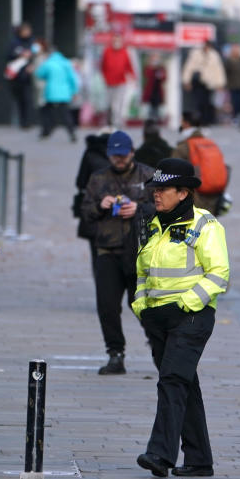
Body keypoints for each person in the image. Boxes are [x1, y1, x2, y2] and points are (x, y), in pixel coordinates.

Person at [132, 158, 230, 478]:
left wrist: (187, 304)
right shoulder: (154, 225)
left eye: (163, 190)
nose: (156, 195)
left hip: (192, 317)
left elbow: (219, 274)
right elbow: (144, 273)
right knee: (184, 385)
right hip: (158, 319)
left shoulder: (205, 226)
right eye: (154, 189)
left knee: (172, 380)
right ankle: (200, 460)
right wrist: (141, 306)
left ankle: (160, 454)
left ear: (184, 193)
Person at [81, 131, 155, 375]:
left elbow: (165, 207)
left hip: (139, 252)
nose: (119, 160)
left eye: (123, 155)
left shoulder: (147, 175)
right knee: (107, 306)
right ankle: (115, 354)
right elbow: (85, 212)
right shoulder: (99, 178)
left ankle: (158, 346)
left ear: (132, 152)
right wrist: (99, 205)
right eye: (115, 155)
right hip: (107, 250)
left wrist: (139, 208)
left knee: (143, 305)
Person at [172, 112, 226, 215]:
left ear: (186, 124)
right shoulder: (209, 143)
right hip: (215, 197)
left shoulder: (184, 147)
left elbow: (173, 174)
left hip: (195, 198)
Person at [74, 130, 112, 273]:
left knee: (96, 254)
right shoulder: (120, 156)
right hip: (114, 213)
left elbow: (80, 182)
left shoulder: (90, 154)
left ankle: (101, 285)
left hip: (94, 210)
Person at [34, 42, 79, 142]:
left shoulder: (48, 63)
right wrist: (74, 91)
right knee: (65, 114)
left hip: (51, 93)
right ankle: (71, 133)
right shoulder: (66, 62)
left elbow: (39, 74)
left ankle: (46, 131)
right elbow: (72, 78)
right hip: (64, 93)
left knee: (46, 112)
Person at [182, 41, 226, 126]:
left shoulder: (214, 55)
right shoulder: (195, 54)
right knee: (199, 101)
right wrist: (186, 81)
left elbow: (218, 70)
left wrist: (220, 83)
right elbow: (189, 68)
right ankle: (200, 119)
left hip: (210, 82)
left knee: (208, 102)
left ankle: (207, 120)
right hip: (198, 81)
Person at [101, 34, 135, 128]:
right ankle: (109, 120)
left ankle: (117, 122)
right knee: (109, 103)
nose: (117, 43)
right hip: (109, 82)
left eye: (118, 41)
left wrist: (133, 76)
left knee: (119, 103)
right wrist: (105, 77)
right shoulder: (107, 51)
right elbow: (102, 66)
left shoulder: (124, 52)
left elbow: (129, 66)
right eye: (115, 41)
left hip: (121, 82)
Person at [8, 23, 37, 129]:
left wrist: (32, 64)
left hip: (29, 76)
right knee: (20, 100)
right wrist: (20, 55)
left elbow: (38, 54)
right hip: (17, 76)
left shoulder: (33, 42)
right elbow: (9, 55)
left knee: (28, 99)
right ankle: (22, 122)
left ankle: (28, 122)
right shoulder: (15, 42)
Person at [141, 51, 167, 120]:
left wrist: (159, 69)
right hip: (150, 91)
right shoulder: (148, 67)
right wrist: (152, 68)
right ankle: (150, 120)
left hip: (158, 91)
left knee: (157, 107)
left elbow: (164, 78)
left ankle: (156, 120)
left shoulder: (161, 68)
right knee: (150, 108)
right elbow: (147, 75)